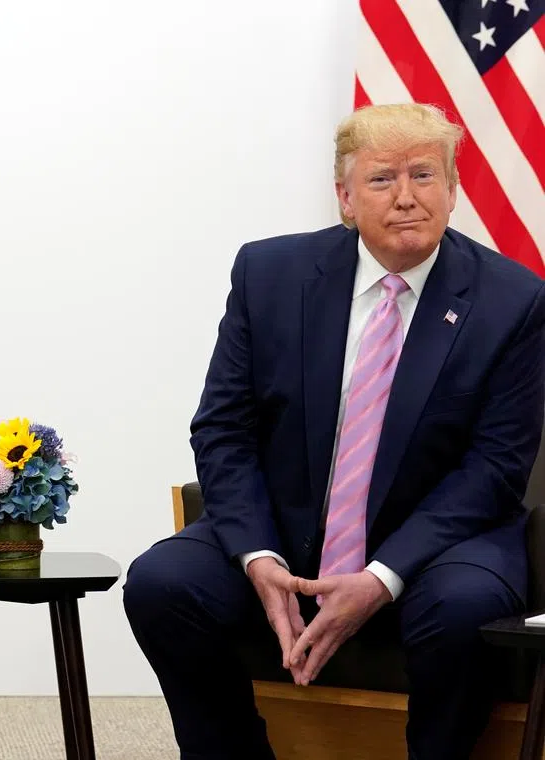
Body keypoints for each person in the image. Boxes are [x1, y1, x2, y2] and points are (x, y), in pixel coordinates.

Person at [123, 103, 545, 759]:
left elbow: (494, 470)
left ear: (454, 191)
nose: (406, 198)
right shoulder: (270, 276)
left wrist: (381, 575)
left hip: (438, 545)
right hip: (291, 532)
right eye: (382, 179)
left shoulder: (512, 301)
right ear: (345, 197)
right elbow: (223, 432)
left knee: (464, 608)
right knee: (160, 584)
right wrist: (259, 559)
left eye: (424, 176)